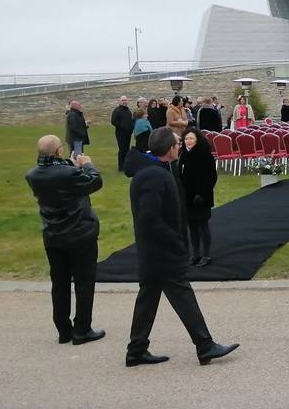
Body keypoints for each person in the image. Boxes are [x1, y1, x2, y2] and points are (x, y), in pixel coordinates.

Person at [124, 127, 239, 367]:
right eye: (177, 143)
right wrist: (175, 241)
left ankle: (136, 350)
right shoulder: (153, 176)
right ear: (170, 149)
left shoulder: (156, 171)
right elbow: (149, 218)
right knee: (182, 295)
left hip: (154, 251)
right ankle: (205, 345)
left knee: (148, 298)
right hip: (161, 251)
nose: (180, 146)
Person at [24, 135, 105, 346]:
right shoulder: (69, 173)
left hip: (53, 235)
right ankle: (82, 329)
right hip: (79, 232)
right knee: (84, 281)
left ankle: (63, 329)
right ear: (59, 151)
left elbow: (61, 182)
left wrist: (73, 166)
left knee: (59, 283)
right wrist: (87, 166)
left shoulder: (33, 175)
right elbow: (94, 182)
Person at [179, 128, 217, 267]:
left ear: (197, 140)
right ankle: (195, 254)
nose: (188, 141)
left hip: (201, 197)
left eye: (191, 139)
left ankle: (206, 255)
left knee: (202, 225)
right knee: (192, 226)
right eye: (186, 139)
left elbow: (211, 177)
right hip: (187, 198)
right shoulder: (183, 155)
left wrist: (201, 194)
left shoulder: (205, 155)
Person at [110, 95, 134, 171]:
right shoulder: (117, 110)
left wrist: (131, 127)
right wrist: (122, 127)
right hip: (121, 133)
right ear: (119, 101)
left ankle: (126, 164)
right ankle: (121, 166)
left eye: (125, 100)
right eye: (123, 100)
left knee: (127, 149)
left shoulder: (128, 110)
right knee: (122, 149)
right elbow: (113, 121)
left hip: (128, 133)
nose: (124, 102)